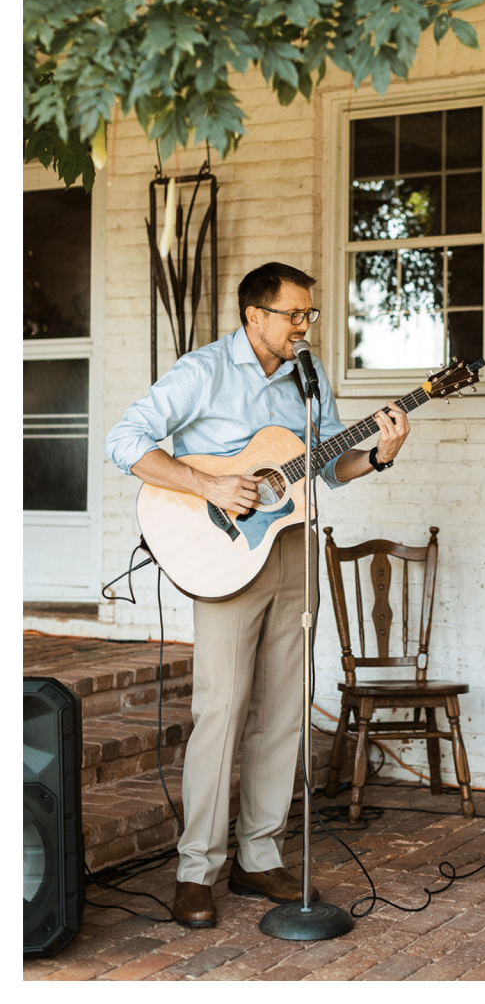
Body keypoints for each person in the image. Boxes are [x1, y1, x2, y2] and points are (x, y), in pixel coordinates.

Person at [105, 262, 412, 928]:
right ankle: (196, 870)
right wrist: (208, 485)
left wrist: (381, 451)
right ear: (255, 316)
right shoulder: (203, 371)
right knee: (221, 710)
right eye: (295, 314)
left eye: (311, 314)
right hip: (222, 556)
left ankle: (260, 854)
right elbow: (123, 442)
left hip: (293, 549)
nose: (306, 326)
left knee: (286, 706)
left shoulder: (308, 376)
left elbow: (329, 467)